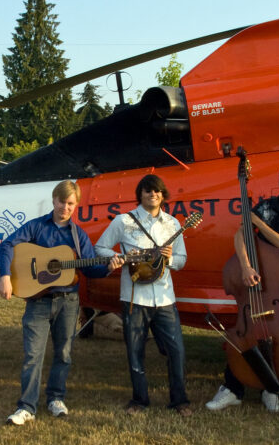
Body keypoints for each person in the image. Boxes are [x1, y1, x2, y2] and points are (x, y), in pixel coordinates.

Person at [0, 180, 124, 426]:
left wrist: (109, 266)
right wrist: (5, 276)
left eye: (70, 204)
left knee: (63, 354)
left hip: (68, 301)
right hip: (38, 302)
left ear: (75, 206)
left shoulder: (78, 236)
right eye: (61, 202)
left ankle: (56, 398)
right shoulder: (36, 227)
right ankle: (26, 407)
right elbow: (7, 245)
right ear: (53, 200)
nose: (65, 207)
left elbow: (91, 269)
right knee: (33, 355)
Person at [205, 163, 279, 413]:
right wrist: (245, 266)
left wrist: (258, 223)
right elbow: (241, 234)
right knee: (246, 334)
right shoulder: (266, 206)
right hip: (256, 279)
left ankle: (273, 390)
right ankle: (232, 389)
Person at [95, 174, 192, 416]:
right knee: (135, 352)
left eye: (157, 191)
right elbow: (100, 247)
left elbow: (181, 259)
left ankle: (179, 401)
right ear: (140, 194)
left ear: (163, 194)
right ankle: (139, 400)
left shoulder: (173, 224)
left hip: (165, 299)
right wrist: (117, 258)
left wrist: (169, 258)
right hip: (134, 299)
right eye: (148, 191)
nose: (153, 194)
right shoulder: (123, 221)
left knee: (176, 351)